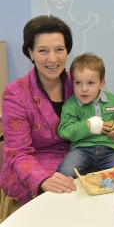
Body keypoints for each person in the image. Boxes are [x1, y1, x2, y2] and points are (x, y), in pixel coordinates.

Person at [0, 15, 77, 205]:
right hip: (33, 167)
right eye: (43, 50)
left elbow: (102, 116)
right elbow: (18, 153)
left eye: (59, 49)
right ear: (31, 53)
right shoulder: (15, 93)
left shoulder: (79, 82)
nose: (52, 58)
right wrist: (42, 179)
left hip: (77, 158)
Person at [57, 53, 114, 178]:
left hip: (110, 150)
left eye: (90, 83)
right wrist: (88, 126)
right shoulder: (70, 105)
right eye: (78, 83)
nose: (84, 88)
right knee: (66, 175)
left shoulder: (113, 100)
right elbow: (64, 130)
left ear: (102, 83)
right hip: (81, 150)